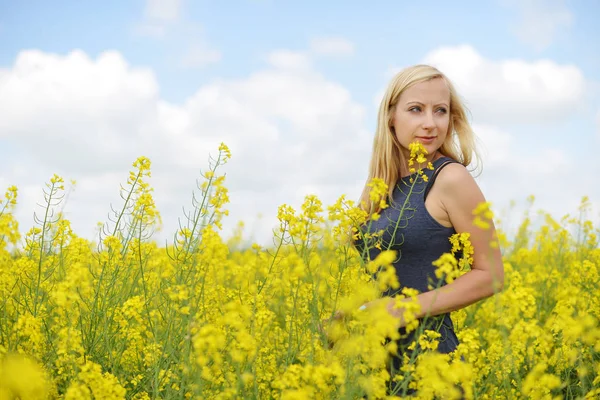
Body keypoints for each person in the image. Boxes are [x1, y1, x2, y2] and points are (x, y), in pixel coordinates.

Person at [347, 64, 505, 394]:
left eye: (441, 111)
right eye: (416, 109)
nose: (430, 123)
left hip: (428, 361)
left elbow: (491, 275)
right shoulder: (379, 187)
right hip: (372, 363)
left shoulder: (450, 179)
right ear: (391, 117)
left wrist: (403, 309)